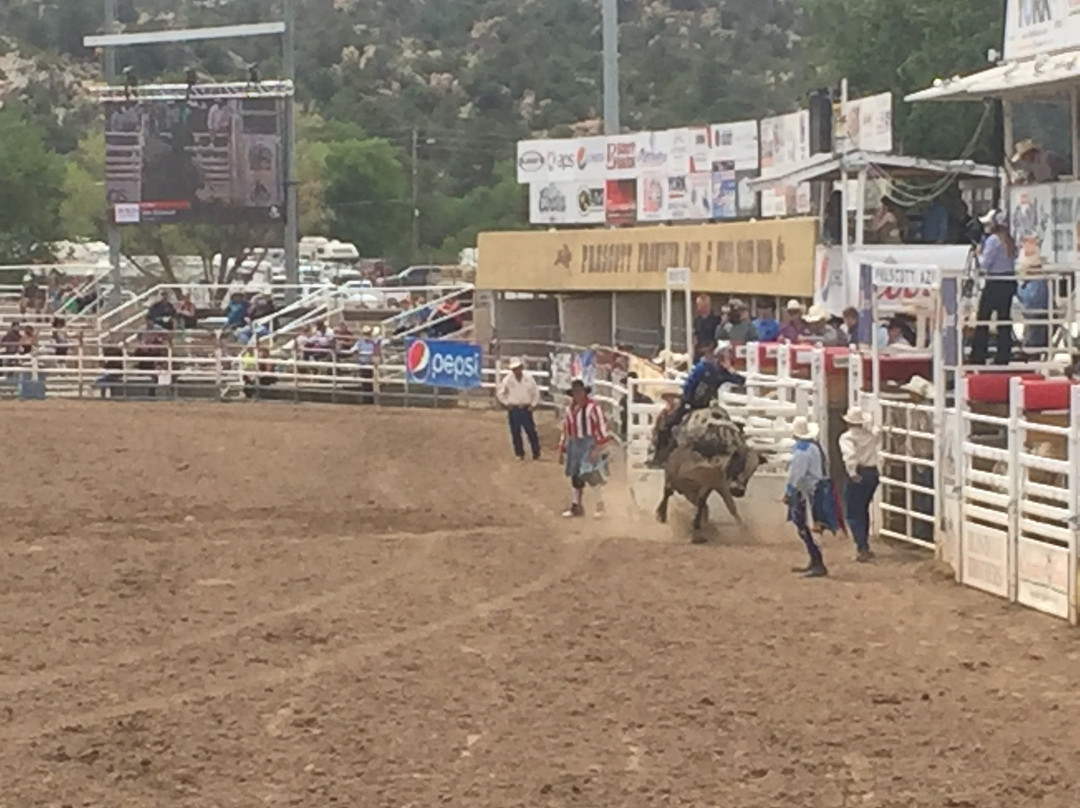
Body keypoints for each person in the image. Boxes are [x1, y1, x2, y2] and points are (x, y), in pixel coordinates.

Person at [648, 343, 746, 468]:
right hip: (701, 404)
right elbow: (691, 384)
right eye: (727, 358)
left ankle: (658, 458)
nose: (728, 361)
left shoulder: (711, 369)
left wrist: (687, 400)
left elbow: (740, 381)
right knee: (669, 424)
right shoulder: (708, 369)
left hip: (698, 404)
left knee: (669, 424)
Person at [557, 378, 610, 518]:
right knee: (575, 475)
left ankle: (600, 506)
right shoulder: (570, 409)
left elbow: (601, 426)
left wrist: (598, 447)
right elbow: (566, 428)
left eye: (580, 392)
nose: (578, 395)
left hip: (589, 443)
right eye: (575, 393)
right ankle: (576, 506)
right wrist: (562, 448)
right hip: (575, 443)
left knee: (590, 474)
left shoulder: (593, 407)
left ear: (584, 393)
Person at [784, 416, 829, 578]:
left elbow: (797, 475)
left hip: (807, 493)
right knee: (808, 526)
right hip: (815, 490)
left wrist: (789, 492)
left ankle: (818, 563)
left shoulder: (801, 451)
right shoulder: (814, 447)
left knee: (806, 526)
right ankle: (815, 561)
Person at [970, 209, 1017, 365]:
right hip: (1008, 281)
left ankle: (978, 355)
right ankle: (1003, 355)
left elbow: (984, 264)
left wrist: (978, 253)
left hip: (995, 282)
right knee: (1004, 319)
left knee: (983, 318)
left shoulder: (993, 241)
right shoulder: (1009, 240)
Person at [839, 406, 881, 563]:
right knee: (862, 509)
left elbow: (850, 456)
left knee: (853, 512)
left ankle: (862, 546)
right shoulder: (870, 435)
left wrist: (852, 473)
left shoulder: (847, 438)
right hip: (872, 472)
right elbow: (878, 434)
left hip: (860, 473)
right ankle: (864, 545)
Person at [495, 357, 542, 461]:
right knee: (515, 432)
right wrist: (507, 403)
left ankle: (536, 452)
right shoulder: (508, 380)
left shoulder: (529, 378)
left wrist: (533, 405)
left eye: (517, 368)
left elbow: (536, 392)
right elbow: (500, 393)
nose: (516, 371)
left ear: (521, 367)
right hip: (514, 408)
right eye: (514, 369)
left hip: (526, 408)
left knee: (531, 431)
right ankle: (519, 453)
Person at [1015, 253, 1050, 353]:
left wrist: (1018, 289)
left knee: (1034, 335)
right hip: (1036, 315)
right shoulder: (1039, 282)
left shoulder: (1037, 283)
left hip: (1036, 314)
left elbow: (1030, 300)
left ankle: (1031, 351)